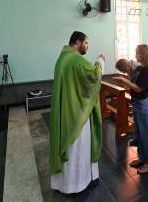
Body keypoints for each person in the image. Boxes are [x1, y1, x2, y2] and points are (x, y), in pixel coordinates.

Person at [50, 31, 105, 194]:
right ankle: (78, 184)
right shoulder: (75, 59)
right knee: (78, 149)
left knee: (71, 150)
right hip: (76, 115)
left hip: (66, 110)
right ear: (79, 41)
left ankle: (64, 184)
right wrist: (100, 61)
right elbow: (94, 77)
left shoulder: (63, 58)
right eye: (86, 43)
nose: (87, 46)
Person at [113, 45, 148, 174]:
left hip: (144, 104)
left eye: (137, 53)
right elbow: (133, 85)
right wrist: (125, 82)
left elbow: (139, 88)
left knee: (146, 135)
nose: (135, 55)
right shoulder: (139, 68)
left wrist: (123, 80)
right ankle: (142, 159)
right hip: (137, 103)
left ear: (143, 54)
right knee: (139, 135)